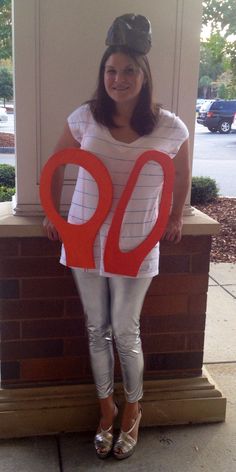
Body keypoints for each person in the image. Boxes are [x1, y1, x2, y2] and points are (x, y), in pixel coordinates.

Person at [43, 13, 190, 460]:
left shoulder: (171, 127)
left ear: (144, 76)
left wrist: (175, 217)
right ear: (102, 75)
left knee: (125, 330)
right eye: (111, 70)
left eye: (128, 71)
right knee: (95, 328)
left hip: (135, 245)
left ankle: (133, 410)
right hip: (85, 240)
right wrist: (54, 214)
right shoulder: (86, 116)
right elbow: (56, 164)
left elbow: (181, 178)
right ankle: (105, 410)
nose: (118, 79)